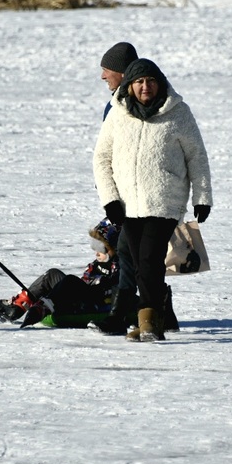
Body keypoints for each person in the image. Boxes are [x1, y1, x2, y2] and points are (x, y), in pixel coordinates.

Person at [93, 58, 212, 341]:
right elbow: (101, 158)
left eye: (151, 81)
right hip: (128, 203)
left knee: (148, 260)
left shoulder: (178, 112)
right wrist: (110, 200)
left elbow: (196, 156)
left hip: (164, 200)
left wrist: (202, 197)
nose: (145, 86)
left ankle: (147, 322)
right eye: (139, 82)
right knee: (140, 264)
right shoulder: (118, 114)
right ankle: (153, 321)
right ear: (129, 86)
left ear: (160, 83)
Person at [90, 42, 147, 335]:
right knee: (133, 255)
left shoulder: (137, 106)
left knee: (134, 255)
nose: (103, 76)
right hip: (121, 194)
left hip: (140, 195)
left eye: (107, 70)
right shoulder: (114, 104)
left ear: (122, 73)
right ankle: (153, 312)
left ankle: (124, 314)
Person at [0, 219, 122, 328]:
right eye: (94, 245)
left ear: (115, 246)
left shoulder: (120, 266)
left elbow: (115, 290)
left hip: (94, 303)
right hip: (82, 296)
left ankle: (44, 307)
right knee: (52, 274)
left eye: (100, 247)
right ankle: (17, 307)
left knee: (70, 280)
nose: (96, 252)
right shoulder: (98, 263)